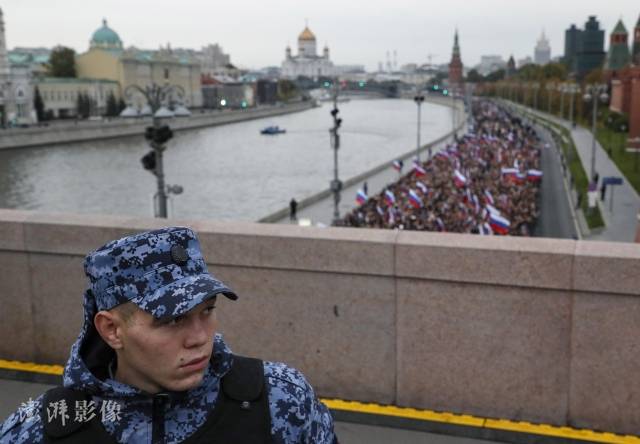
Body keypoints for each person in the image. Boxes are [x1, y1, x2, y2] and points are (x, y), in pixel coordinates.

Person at [0, 227, 336, 443]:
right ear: (112, 330)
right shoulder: (39, 431)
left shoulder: (281, 400)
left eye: (207, 310)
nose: (198, 337)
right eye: (172, 320)